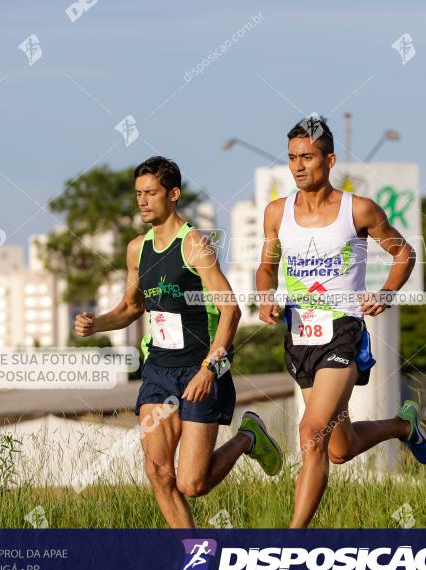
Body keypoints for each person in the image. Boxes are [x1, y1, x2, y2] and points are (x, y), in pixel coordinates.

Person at [75, 156, 282, 528]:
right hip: (157, 372)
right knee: (158, 473)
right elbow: (132, 307)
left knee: (192, 483)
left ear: (173, 194)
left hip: (200, 370)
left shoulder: (194, 245)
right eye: (138, 193)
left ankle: (247, 438)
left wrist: (210, 369)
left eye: (150, 192)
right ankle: (193, 554)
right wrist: (98, 324)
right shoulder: (137, 249)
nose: (142, 201)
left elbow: (231, 311)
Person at [256, 115, 426, 528]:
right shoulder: (277, 213)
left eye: (308, 157)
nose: (299, 166)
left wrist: (386, 292)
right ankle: (402, 426)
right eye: (292, 157)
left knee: (309, 434)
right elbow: (266, 267)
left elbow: (404, 253)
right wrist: (266, 296)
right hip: (299, 334)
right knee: (338, 448)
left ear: (329, 160)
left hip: (343, 332)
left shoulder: (359, 210)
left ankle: (292, 540)